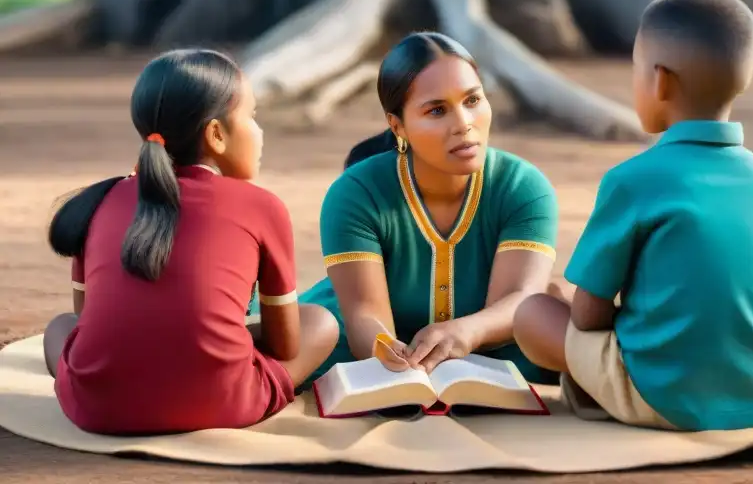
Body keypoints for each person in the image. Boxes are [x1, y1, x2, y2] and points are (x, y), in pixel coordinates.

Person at [513, 0, 753, 432]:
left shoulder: (633, 180)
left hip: (663, 396)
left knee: (532, 312)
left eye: (635, 69)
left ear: (660, 80)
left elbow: (588, 315)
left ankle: (602, 392)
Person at [44, 49, 339, 435]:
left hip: (99, 411)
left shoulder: (101, 200)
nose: (259, 131)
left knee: (59, 328)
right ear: (216, 135)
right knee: (321, 322)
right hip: (223, 403)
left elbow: (85, 324)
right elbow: (285, 346)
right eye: (252, 117)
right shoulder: (263, 207)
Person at [299, 32, 560, 383]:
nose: (464, 123)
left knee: (559, 325)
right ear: (398, 126)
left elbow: (519, 299)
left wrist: (466, 332)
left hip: (491, 344)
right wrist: (387, 351)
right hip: (351, 345)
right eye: (437, 110)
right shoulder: (356, 193)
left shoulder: (524, 188)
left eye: (472, 100)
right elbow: (364, 315)